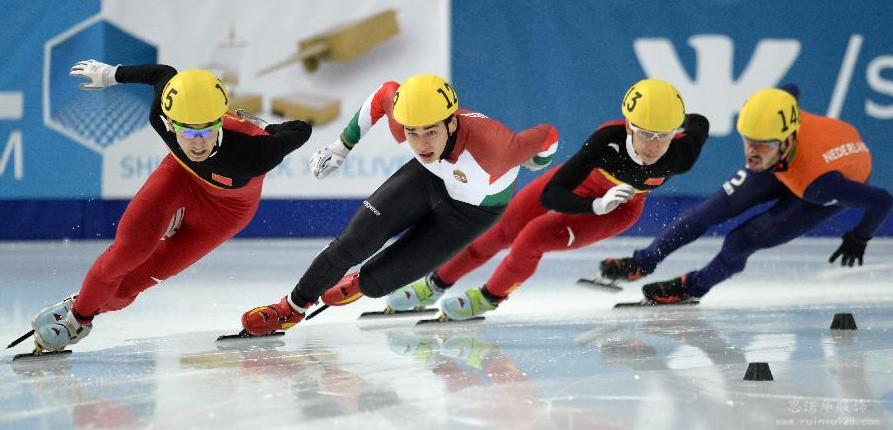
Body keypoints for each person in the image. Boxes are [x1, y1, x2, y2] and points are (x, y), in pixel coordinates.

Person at [28, 60, 313, 353]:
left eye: (207, 131)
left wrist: (268, 129)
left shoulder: (255, 153)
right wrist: (111, 75)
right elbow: (163, 74)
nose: (198, 144)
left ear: (219, 122)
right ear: (170, 124)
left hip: (225, 214)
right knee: (128, 251)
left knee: (128, 288)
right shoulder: (159, 117)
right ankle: (77, 321)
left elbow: (302, 128)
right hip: (179, 176)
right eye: (188, 133)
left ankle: (85, 303)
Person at [241, 74, 559, 334]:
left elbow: (547, 135)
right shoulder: (405, 124)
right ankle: (292, 307)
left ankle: (361, 282)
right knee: (352, 243)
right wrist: (342, 146)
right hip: (428, 178)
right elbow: (383, 93)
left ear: (451, 124)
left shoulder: (497, 149)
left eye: (431, 132)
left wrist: (538, 161)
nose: (421, 143)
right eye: (412, 133)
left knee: (378, 283)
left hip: (470, 213)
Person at [384, 79, 710, 320]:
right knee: (499, 230)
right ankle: (435, 284)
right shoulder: (606, 141)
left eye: (663, 135)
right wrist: (595, 204)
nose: (653, 145)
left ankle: (489, 297)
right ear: (628, 125)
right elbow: (552, 193)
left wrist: (677, 119)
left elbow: (700, 124)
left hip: (619, 210)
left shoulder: (681, 155)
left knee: (532, 238)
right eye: (645, 133)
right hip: (581, 193)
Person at [600, 87, 892, 304]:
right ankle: (643, 262)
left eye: (762, 144)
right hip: (785, 163)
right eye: (749, 141)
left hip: (824, 179)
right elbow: (790, 90)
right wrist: (766, 146)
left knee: (741, 240)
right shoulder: (772, 133)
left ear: (787, 140)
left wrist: (860, 237)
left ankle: (692, 287)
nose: (752, 152)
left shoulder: (820, 186)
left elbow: (882, 200)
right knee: (705, 213)